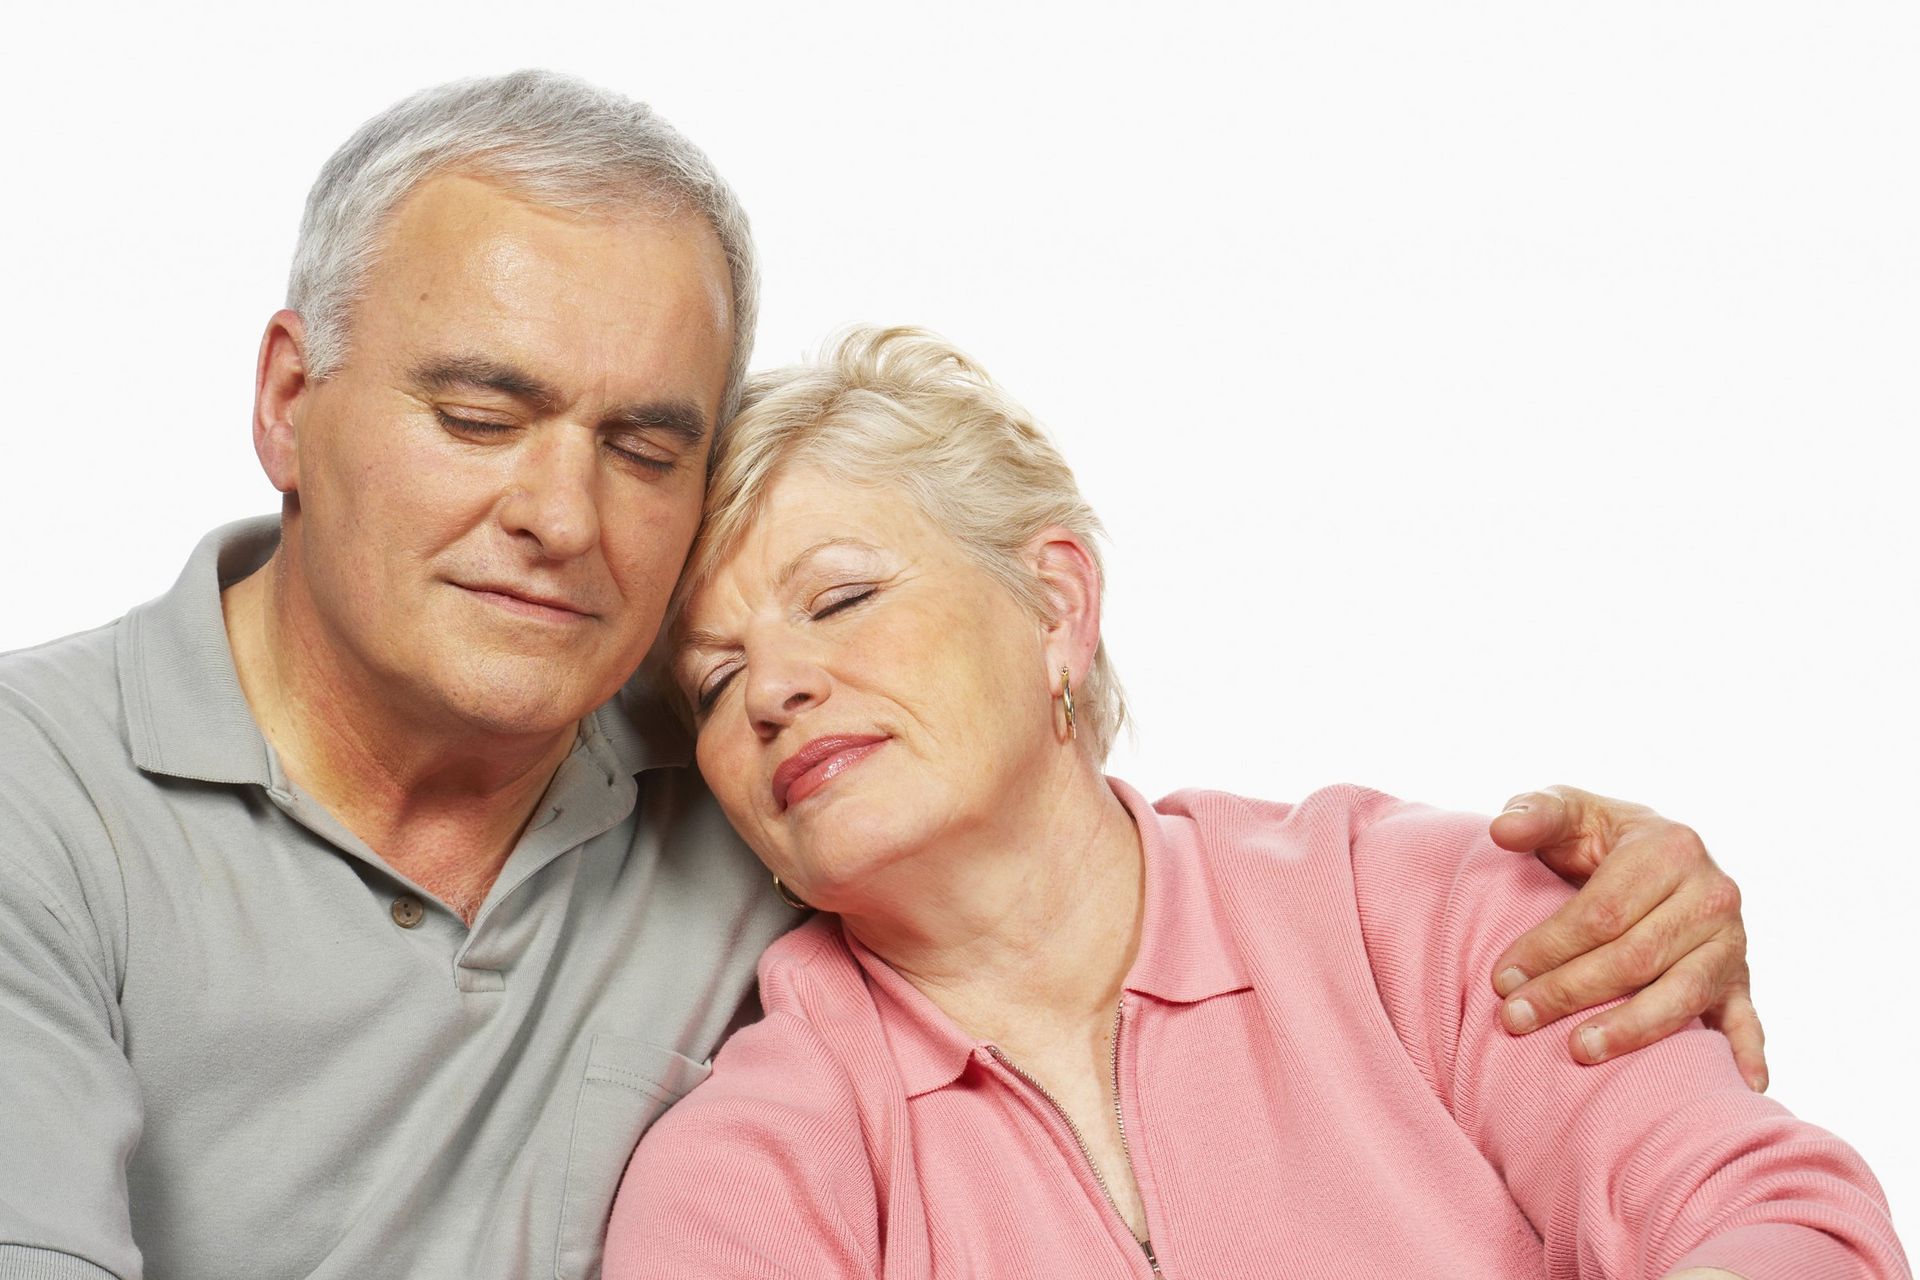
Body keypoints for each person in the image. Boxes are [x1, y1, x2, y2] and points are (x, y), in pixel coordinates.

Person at [0, 72, 1758, 1280]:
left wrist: (1623, 888)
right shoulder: (40, 803)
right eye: (478, 414)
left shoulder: (1400, 907)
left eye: (643, 448)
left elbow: (1734, 1198)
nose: (555, 514)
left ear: (1058, 602)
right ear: (286, 401)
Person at [605, 326, 1908, 1278]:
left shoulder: (1427, 909)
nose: (772, 688)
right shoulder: (740, 1169)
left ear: (1057, 606)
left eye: (840, 598)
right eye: (712, 684)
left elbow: (1780, 1221)